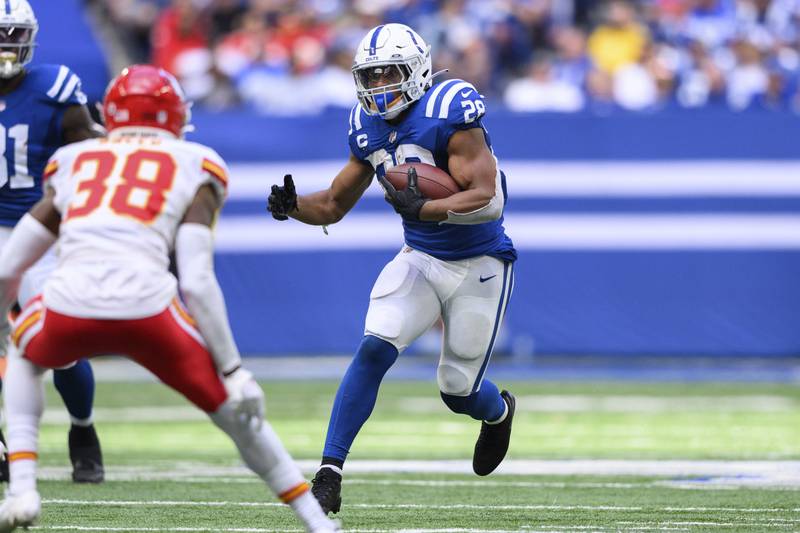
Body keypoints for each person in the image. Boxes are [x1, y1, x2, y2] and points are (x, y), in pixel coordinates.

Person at [0, 65, 338, 533]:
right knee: (235, 415)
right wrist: (235, 371)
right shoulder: (196, 162)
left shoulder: (74, 160)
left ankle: (22, 489)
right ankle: (316, 522)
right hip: (148, 309)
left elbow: (9, 265)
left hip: (68, 304)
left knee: (20, 351)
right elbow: (197, 281)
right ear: (174, 115)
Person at [268, 23, 517, 515]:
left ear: (418, 70)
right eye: (373, 75)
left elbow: (486, 196)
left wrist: (425, 210)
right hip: (421, 257)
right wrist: (294, 206)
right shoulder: (366, 124)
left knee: (457, 389)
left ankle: (500, 412)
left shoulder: (450, 108)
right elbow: (336, 203)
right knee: (374, 346)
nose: (380, 86)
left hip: (479, 261)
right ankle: (329, 471)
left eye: (390, 73)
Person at [0, 0, 103, 484]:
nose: (5, 45)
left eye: (12, 34)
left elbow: (87, 149)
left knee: (57, 340)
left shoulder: (54, 86)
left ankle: (83, 431)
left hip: (38, 229)